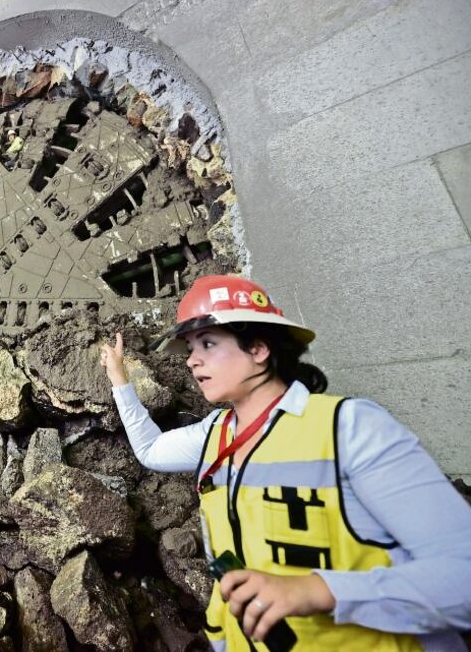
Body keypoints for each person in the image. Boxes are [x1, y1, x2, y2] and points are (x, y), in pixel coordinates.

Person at [99, 274, 471, 651]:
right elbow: (150, 451)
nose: (192, 361)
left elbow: (463, 576)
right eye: (191, 348)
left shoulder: (348, 429)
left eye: (208, 344)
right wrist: (119, 381)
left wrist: (320, 590)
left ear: (258, 349)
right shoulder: (214, 436)